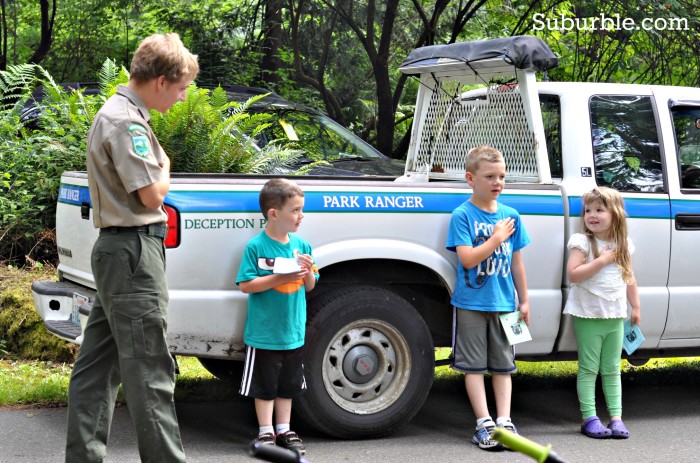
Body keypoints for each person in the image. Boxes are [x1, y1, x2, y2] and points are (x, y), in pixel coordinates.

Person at [65, 33, 199, 462]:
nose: (181, 98)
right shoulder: (126, 122)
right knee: (149, 371)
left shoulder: (119, 114)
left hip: (118, 254)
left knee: (97, 369)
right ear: (160, 80)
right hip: (133, 255)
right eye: (181, 88)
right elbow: (151, 195)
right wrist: (166, 166)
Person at [445, 145, 531, 451]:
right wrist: (495, 239)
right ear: (470, 178)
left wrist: (524, 300)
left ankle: (505, 422)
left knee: (504, 366)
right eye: (490, 176)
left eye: (502, 176)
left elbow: (517, 262)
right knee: (473, 367)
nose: (498, 182)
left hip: (506, 304)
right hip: (470, 304)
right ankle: (484, 423)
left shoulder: (511, 216)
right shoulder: (462, 215)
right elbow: (467, 259)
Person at [236, 178, 319, 455]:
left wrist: (307, 272)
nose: (301, 216)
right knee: (265, 385)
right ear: (274, 214)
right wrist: (278, 277)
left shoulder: (303, 246)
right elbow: (246, 285)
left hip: (293, 332)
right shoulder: (256, 247)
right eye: (295, 210)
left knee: (289, 385)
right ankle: (265, 431)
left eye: (301, 210)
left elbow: (311, 285)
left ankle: (284, 428)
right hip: (264, 333)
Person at [564, 186, 641, 439]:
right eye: (588, 210)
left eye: (599, 209)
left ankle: (616, 418)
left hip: (615, 314)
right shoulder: (583, 242)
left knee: (611, 368)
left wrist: (636, 306)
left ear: (615, 214)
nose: (592, 215)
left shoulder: (623, 245)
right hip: (588, 314)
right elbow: (574, 275)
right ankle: (589, 418)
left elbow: (629, 277)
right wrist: (602, 261)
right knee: (588, 368)